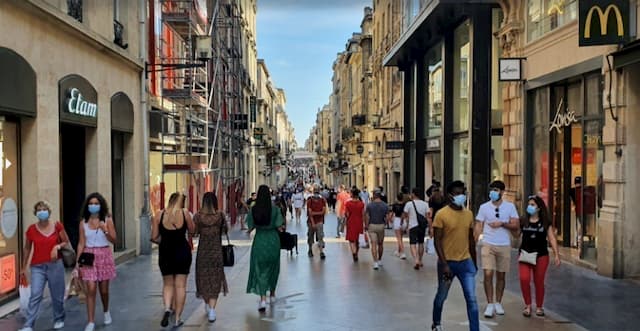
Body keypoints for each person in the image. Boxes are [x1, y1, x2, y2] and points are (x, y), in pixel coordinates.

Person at [431, 181, 478, 331]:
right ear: (450, 196)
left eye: (462, 193)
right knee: (442, 296)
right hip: (448, 263)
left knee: (471, 299)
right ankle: (436, 323)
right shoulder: (441, 215)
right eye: (457, 194)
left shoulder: (469, 214)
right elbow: (437, 240)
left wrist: (474, 262)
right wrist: (444, 264)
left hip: (466, 263)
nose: (461, 196)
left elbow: (471, 239)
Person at [18, 201, 70, 331]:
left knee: (57, 295)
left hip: (55, 265)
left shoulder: (57, 226)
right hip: (37, 267)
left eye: (44, 209)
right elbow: (27, 248)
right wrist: (24, 267)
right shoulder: (31, 229)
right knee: (35, 294)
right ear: (36, 213)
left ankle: (59, 318)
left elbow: (66, 241)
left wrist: (57, 246)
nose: (42, 211)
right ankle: (28, 324)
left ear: (49, 211)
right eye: (39, 209)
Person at [474, 180, 520, 318]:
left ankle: (498, 302)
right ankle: (489, 303)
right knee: (488, 274)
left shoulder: (510, 207)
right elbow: (478, 225)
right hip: (488, 243)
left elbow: (516, 225)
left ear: (502, 192)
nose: (493, 192)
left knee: (501, 275)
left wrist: (502, 224)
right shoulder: (484, 207)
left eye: (496, 190)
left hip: (504, 244)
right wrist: (474, 241)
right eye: (492, 190)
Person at [151, 192, 195, 328]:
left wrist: (163, 242)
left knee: (168, 284)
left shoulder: (159, 214)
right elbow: (193, 230)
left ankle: (167, 308)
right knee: (180, 285)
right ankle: (177, 318)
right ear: (181, 202)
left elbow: (154, 236)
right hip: (182, 251)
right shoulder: (185, 213)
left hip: (165, 253)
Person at [76, 193, 118, 331]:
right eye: (91, 203)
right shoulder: (83, 223)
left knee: (104, 290)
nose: (93, 206)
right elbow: (81, 243)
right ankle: (91, 321)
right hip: (88, 256)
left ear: (101, 205)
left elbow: (114, 240)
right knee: (91, 289)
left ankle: (106, 311)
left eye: (96, 203)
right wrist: (78, 263)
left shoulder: (107, 220)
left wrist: (105, 230)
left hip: (104, 254)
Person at [518, 195, 560, 318]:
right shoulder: (523, 221)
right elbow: (516, 234)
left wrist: (556, 254)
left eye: (532, 205)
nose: (529, 207)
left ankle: (539, 306)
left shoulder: (545, 222)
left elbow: (551, 238)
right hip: (525, 254)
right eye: (529, 204)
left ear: (539, 208)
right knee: (524, 279)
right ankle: (528, 305)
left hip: (541, 255)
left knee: (539, 281)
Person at [246, 185, 284, 312]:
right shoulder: (275, 210)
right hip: (273, 241)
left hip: (260, 241)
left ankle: (262, 300)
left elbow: (250, 228)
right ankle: (272, 294)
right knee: (273, 268)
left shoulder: (253, 210)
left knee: (260, 269)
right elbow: (280, 227)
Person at [193, 192, 228, 323]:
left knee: (203, 278)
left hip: (203, 253)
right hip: (216, 253)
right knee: (215, 279)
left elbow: (194, 233)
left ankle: (207, 304)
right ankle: (212, 310)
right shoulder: (220, 216)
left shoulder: (198, 216)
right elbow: (225, 231)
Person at [402, 187, 429, 270]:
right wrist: (430, 227)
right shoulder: (425, 204)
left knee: (413, 244)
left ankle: (416, 260)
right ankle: (420, 260)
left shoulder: (409, 204)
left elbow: (406, 215)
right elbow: (428, 216)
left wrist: (406, 225)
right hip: (422, 226)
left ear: (413, 194)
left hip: (412, 226)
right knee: (421, 243)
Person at [364, 189, 389, 270]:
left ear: (374, 195)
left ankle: (375, 262)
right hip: (381, 225)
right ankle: (380, 260)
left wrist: (366, 226)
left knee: (373, 244)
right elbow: (387, 217)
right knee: (381, 244)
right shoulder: (385, 205)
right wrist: (385, 224)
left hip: (372, 226)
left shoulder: (369, 205)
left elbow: (367, 217)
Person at [345, 188, 365, 262]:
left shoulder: (348, 204)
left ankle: (354, 253)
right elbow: (363, 214)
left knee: (351, 240)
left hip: (351, 222)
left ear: (352, 194)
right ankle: (356, 253)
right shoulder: (361, 204)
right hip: (359, 222)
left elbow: (347, 214)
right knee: (357, 240)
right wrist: (365, 224)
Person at [306, 186, 327, 259]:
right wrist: (313, 222)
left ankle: (321, 251)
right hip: (311, 222)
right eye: (315, 191)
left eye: (317, 191)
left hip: (319, 221)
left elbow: (323, 212)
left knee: (320, 236)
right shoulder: (310, 201)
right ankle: (310, 249)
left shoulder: (322, 200)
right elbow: (310, 213)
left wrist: (314, 213)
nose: (316, 193)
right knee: (310, 236)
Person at [391, 192, 407, 259]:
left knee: (399, 238)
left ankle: (403, 253)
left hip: (397, 220)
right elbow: (404, 213)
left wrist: (390, 219)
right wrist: (403, 221)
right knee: (401, 237)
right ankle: (398, 251)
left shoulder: (394, 205)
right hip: (404, 221)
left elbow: (392, 213)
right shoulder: (405, 204)